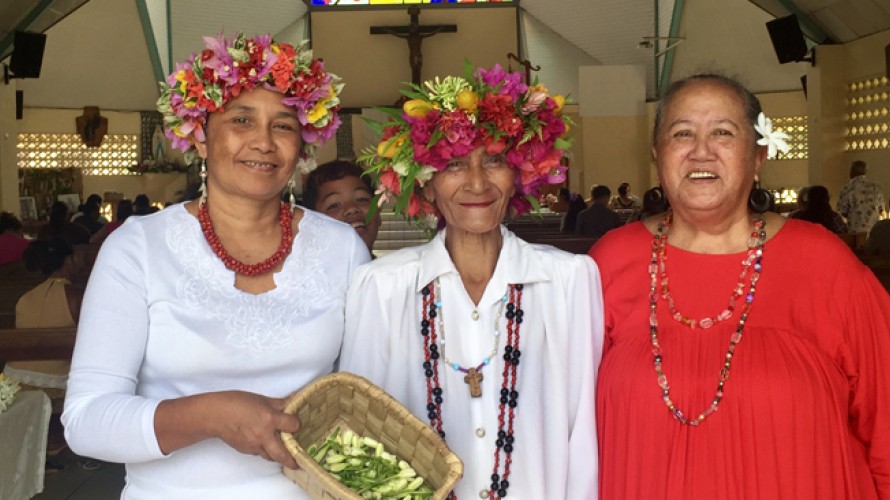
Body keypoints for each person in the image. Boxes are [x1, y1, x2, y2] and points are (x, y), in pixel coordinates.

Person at [61, 33, 367, 499]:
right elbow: (86, 421)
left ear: (302, 145)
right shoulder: (139, 248)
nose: (263, 143)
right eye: (241, 120)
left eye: (283, 126)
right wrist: (214, 415)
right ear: (200, 137)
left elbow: (367, 399)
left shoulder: (341, 248)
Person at [590, 73, 890, 499]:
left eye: (723, 133)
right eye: (682, 133)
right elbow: (560, 421)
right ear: (658, 154)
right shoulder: (610, 262)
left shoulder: (824, 265)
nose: (701, 151)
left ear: (757, 155)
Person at [343, 64, 601, 499]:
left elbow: (583, 432)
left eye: (495, 159)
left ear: (520, 172)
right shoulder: (381, 288)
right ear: (425, 184)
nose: (477, 182)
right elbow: (361, 433)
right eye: (454, 164)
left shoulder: (569, 280)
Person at [3, 237, 84, 457]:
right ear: (68, 261)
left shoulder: (25, 297)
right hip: (55, 380)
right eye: (75, 258)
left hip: (15, 376)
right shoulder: (76, 295)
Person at [302, 160, 381, 252]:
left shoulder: (395, 266)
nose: (351, 208)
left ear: (378, 212)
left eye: (362, 199)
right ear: (313, 224)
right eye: (334, 205)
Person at [837, 160, 887, 234]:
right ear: (865, 171)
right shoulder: (875, 187)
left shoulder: (847, 188)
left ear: (852, 171)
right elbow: (881, 209)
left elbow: (842, 211)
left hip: (854, 232)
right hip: (873, 231)